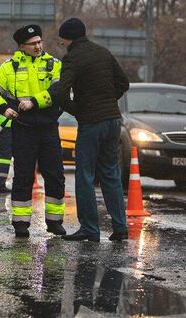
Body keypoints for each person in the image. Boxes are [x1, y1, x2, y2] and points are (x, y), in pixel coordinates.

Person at [49, 17, 130, 242]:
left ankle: (90, 229)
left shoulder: (72, 59)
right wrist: (106, 100)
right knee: (110, 173)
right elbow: (123, 83)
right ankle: (120, 227)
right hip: (113, 120)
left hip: (91, 122)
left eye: (62, 39)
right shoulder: (103, 52)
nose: (62, 43)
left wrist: (77, 110)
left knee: (85, 175)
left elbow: (61, 92)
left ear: (68, 38)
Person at [0, 24, 66, 238]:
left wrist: (34, 102)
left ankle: (55, 222)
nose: (38, 46)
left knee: (55, 175)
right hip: (23, 129)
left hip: (48, 128)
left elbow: (59, 91)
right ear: (22, 46)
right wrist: (4, 108)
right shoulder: (9, 67)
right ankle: (21, 223)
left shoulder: (54, 64)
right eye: (32, 44)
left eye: (39, 42)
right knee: (22, 176)